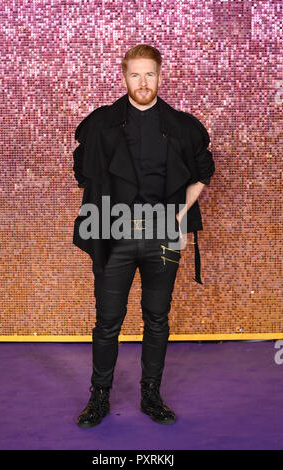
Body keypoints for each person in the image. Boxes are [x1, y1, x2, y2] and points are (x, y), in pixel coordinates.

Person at [73, 44, 215, 427]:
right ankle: (99, 397)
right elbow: (81, 170)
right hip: (111, 232)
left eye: (149, 74)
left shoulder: (182, 125)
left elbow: (204, 170)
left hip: (163, 238)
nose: (142, 82)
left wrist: (179, 213)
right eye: (135, 74)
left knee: (156, 318)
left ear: (160, 76)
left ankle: (151, 394)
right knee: (108, 321)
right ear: (124, 77)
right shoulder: (102, 123)